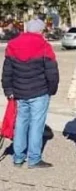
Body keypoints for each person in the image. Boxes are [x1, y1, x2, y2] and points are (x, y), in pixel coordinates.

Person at [2, 18, 59, 169]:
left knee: (21, 123)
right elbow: (52, 72)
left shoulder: (12, 45)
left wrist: (8, 90)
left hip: (19, 92)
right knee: (36, 125)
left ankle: (18, 157)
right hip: (40, 91)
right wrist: (52, 90)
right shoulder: (44, 46)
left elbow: (7, 71)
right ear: (40, 31)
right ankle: (34, 159)